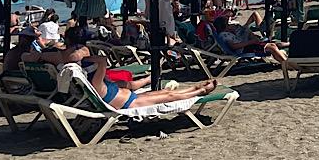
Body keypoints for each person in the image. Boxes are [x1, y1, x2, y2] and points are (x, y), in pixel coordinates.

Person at [82, 54, 218, 109]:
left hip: (132, 97)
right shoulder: (96, 84)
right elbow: (103, 60)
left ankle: (194, 88)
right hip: (131, 104)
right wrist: (85, 59)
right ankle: (201, 91)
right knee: (169, 96)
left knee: (165, 92)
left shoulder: (100, 82)